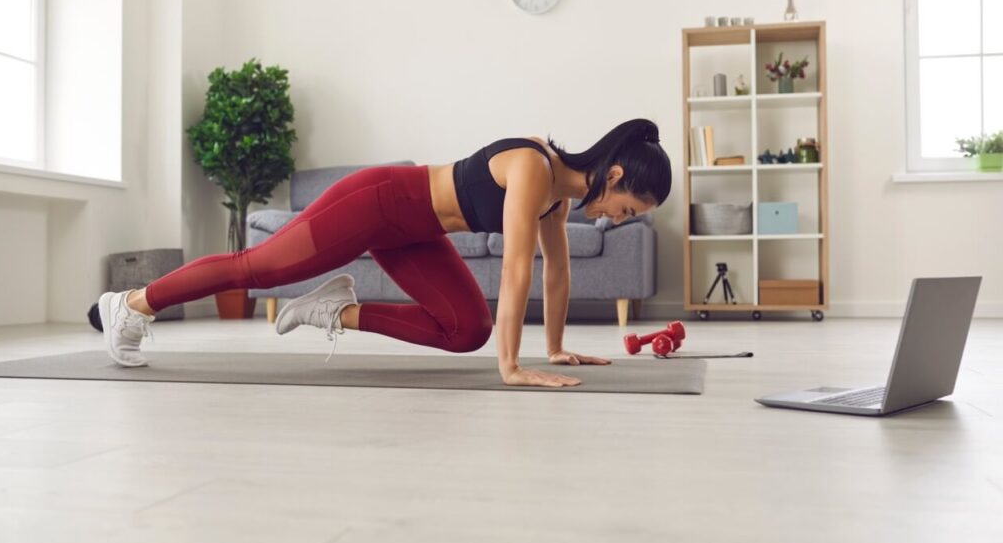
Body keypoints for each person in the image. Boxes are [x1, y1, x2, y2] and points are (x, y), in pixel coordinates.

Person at [97, 118, 672, 388]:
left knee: (465, 329)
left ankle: (330, 311)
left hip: (415, 233)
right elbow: (519, 271)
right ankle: (134, 303)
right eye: (626, 207)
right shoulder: (533, 166)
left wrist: (555, 348)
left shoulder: (559, 198)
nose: (619, 218)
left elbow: (558, 273)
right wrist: (512, 368)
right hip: (379, 201)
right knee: (260, 267)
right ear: (614, 175)